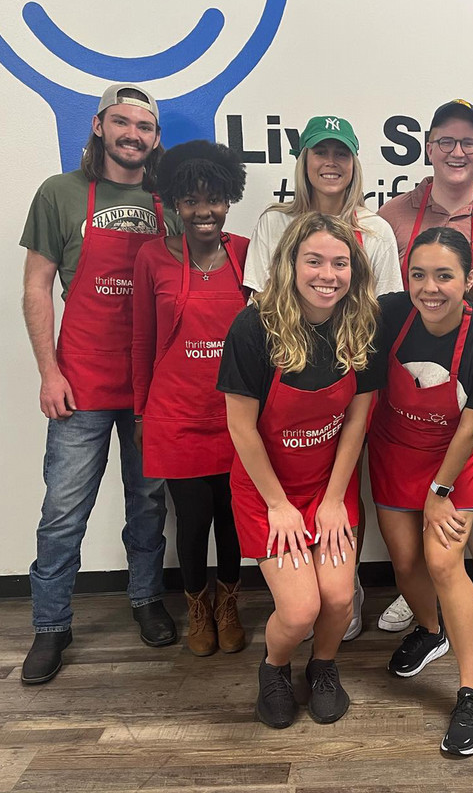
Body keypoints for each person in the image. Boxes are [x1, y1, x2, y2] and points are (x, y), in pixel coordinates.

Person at [20, 84, 182, 685]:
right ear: (98, 126)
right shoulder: (60, 194)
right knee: (63, 511)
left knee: (146, 504)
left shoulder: (168, 202)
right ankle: (50, 624)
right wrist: (48, 371)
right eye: (122, 122)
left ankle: (145, 598)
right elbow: (37, 287)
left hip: (149, 388)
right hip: (80, 384)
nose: (133, 134)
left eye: (144, 126)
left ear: (155, 138)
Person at [377, 99, 473, 644]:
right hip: (411, 373)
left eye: (469, 143)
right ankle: (422, 585)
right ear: (428, 148)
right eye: (446, 141)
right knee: (421, 476)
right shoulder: (393, 216)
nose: (457, 152)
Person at [219, 212, 381, 728]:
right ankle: (274, 668)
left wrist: (334, 499)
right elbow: (242, 428)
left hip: (327, 485)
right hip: (267, 490)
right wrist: (278, 506)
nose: (326, 274)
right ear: (290, 263)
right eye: (313, 261)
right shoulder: (254, 326)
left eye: (339, 263)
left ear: (354, 270)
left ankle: (324, 667)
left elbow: (357, 420)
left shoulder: (362, 324)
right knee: (298, 610)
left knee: (338, 598)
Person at [244, 115, 402, 640]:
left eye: (341, 154)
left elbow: (379, 314)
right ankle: (303, 597)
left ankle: (344, 588)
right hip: (285, 376)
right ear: (304, 161)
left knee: (341, 479)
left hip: (348, 374)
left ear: (355, 164)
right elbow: (261, 305)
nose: (330, 163)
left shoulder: (376, 230)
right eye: (320, 153)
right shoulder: (274, 221)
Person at [370, 227, 473, 755]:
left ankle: (472, 690)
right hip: (392, 453)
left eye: (444, 275)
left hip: (451, 463)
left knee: (442, 562)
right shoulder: (388, 315)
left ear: (469, 280)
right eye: (418, 274)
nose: (429, 287)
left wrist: (440, 489)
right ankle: (431, 631)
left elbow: (470, 427)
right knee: (406, 561)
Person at [132, 140, 249, 656]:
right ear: (174, 202)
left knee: (232, 516)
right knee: (193, 518)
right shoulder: (152, 256)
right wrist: (140, 411)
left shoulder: (247, 253)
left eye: (215, 198)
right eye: (191, 200)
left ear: (229, 199)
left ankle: (229, 603)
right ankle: (198, 607)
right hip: (175, 414)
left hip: (238, 415)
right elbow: (140, 340)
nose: (204, 211)